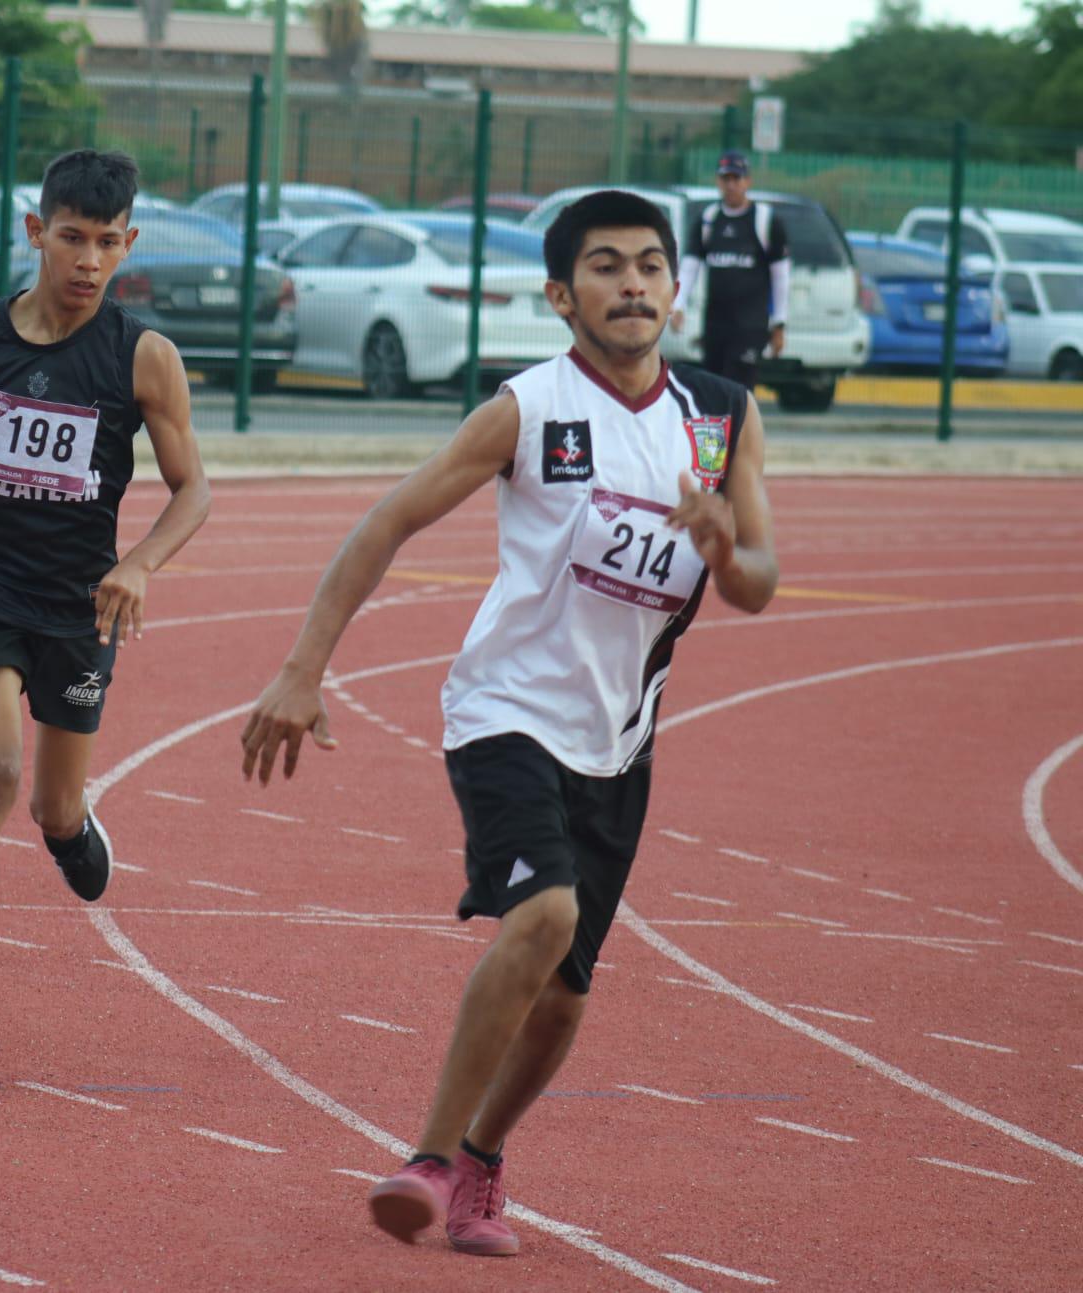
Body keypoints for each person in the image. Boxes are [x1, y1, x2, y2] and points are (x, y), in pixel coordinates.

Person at [239, 190, 778, 1257]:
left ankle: (482, 1156)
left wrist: (722, 548)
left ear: (676, 287)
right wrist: (303, 671)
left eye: (650, 267)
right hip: (504, 713)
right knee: (540, 920)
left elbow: (760, 580)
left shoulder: (720, 415)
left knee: (564, 1005)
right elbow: (385, 521)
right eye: (606, 266)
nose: (632, 284)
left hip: (618, 741)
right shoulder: (527, 409)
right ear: (558, 293)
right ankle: (432, 1158)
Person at [0, 149, 211, 1067]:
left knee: (51, 802)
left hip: (82, 605)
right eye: (72, 238)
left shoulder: (144, 358)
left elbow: (193, 491)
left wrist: (141, 563)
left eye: (108, 243)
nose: (88, 261)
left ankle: (68, 826)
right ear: (36, 233)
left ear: (129, 242)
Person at [670, 149, 791, 391]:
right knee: (713, 391)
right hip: (715, 325)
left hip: (750, 326)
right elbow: (690, 267)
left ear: (747, 181)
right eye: (726, 179)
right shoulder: (709, 219)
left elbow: (781, 276)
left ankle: (741, 431)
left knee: (739, 391)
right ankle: (720, 431)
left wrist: (779, 324)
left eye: (737, 178)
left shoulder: (764, 220)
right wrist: (678, 304)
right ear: (718, 181)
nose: (731, 185)